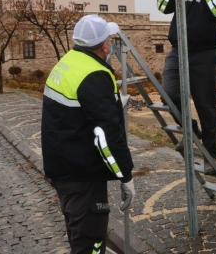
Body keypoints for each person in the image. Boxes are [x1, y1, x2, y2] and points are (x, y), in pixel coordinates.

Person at [41, 14, 135, 254]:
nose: (112, 44)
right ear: (105, 46)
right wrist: (125, 175)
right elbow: (106, 136)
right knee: (89, 243)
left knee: (78, 234)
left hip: (63, 167)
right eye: (110, 40)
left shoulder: (69, 61)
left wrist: (110, 102)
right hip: (82, 176)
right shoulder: (95, 75)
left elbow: (78, 111)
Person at [157, 0, 216, 176]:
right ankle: (191, 130)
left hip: (204, 55)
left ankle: (210, 157)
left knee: (205, 106)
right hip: (177, 51)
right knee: (169, 94)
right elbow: (163, 8)